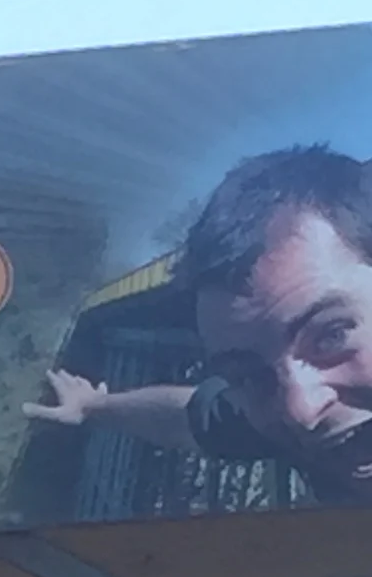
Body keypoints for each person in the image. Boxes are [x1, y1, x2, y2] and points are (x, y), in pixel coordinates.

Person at [24, 144, 372, 507]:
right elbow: (186, 416)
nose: (301, 411)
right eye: (247, 378)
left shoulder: (294, 408)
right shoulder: (276, 411)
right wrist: (93, 405)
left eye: (332, 336)